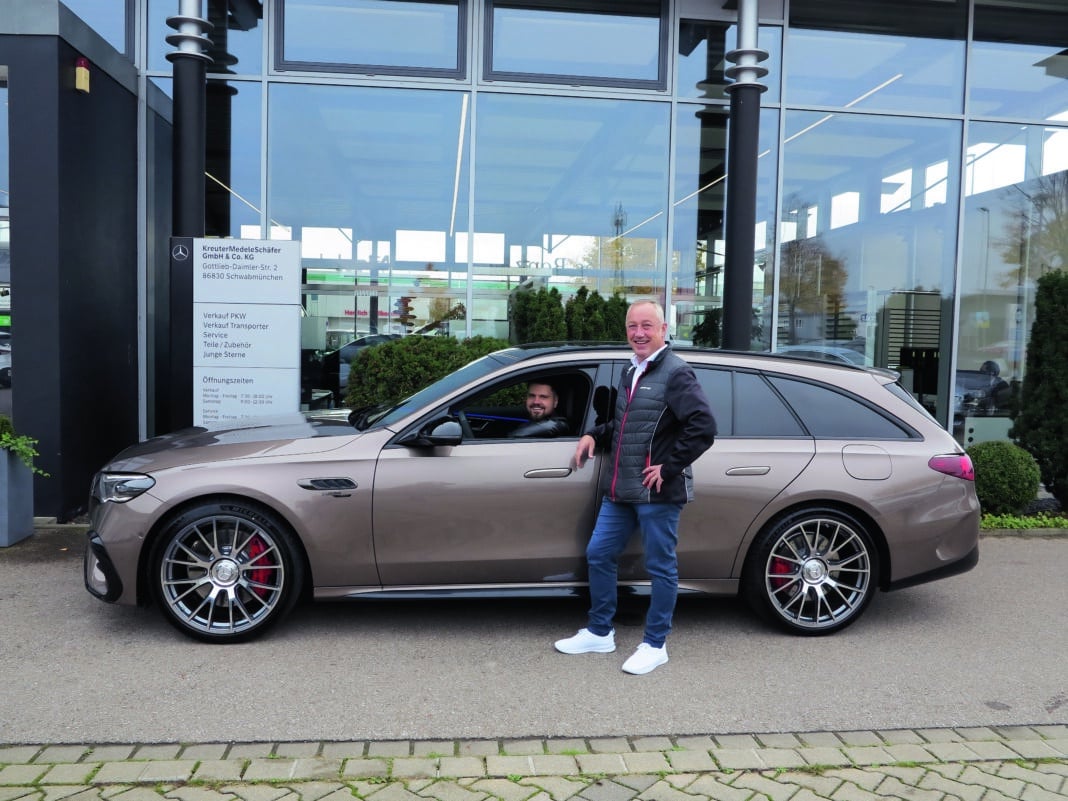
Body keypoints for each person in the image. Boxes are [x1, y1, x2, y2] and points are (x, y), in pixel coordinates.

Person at [554, 299, 717, 674]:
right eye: (632, 326)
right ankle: (600, 632)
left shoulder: (677, 373)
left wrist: (670, 466)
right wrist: (594, 434)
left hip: (656, 491)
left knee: (661, 567)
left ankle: (655, 644)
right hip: (622, 488)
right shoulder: (633, 371)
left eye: (647, 326)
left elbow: (703, 427)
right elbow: (627, 424)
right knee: (599, 554)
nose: (639, 333)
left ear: (663, 330)